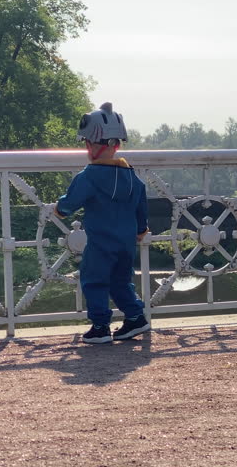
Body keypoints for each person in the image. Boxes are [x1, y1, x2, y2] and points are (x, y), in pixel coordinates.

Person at [54, 102, 151, 344]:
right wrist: (141, 230)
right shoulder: (131, 176)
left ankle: (100, 326)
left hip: (101, 243)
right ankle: (135, 317)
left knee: (93, 279)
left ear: (91, 145)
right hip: (126, 242)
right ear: (117, 144)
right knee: (121, 281)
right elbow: (141, 206)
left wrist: (59, 209)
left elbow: (69, 203)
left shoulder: (88, 176)